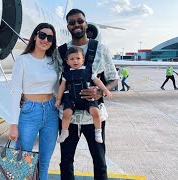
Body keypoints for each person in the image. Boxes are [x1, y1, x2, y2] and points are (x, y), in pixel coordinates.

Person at [53, 8, 119, 180]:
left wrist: (100, 91)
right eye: (72, 22)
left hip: (94, 117)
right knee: (66, 161)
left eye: (80, 21)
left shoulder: (101, 49)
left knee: (99, 160)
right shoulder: (61, 52)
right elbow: (54, 80)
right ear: (68, 26)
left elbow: (114, 79)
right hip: (69, 117)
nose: (76, 24)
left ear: (86, 23)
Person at [9, 23, 59, 180]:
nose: (45, 40)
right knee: (23, 160)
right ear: (35, 36)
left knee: (44, 162)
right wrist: (13, 124)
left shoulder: (53, 62)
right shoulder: (23, 60)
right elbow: (15, 92)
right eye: (42, 35)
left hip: (51, 112)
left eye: (50, 37)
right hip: (29, 112)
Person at [55, 46, 112, 144]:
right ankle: (65, 131)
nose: (75, 61)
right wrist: (59, 99)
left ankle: (98, 131)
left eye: (78, 58)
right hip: (71, 98)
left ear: (83, 60)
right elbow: (62, 87)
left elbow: (97, 81)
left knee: (95, 112)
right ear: (67, 62)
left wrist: (105, 89)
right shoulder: (66, 73)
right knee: (66, 114)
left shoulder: (88, 71)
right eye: (72, 59)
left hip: (87, 98)